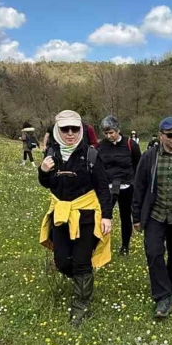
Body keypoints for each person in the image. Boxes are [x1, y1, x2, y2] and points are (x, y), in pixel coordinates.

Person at [37, 110, 113, 326]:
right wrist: (43, 171)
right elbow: (48, 183)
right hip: (61, 216)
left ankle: (81, 305)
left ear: (81, 130)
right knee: (61, 261)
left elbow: (103, 188)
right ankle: (82, 280)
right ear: (57, 131)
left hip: (86, 216)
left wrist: (106, 216)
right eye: (65, 129)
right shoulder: (52, 153)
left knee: (81, 261)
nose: (70, 133)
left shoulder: (91, 155)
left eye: (75, 129)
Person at [132, 117, 172, 318]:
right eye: (170, 135)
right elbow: (139, 187)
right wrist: (136, 216)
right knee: (153, 253)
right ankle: (162, 296)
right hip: (155, 215)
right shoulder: (149, 157)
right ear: (161, 136)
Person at [98, 115, 142, 256]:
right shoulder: (101, 146)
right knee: (104, 215)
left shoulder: (131, 144)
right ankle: (100, 246)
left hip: (126, 186)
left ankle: (125, 246)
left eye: (111, 132)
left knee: (125, 216)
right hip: (108, 187)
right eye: (106, 133)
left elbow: (138, 165)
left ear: (118, 130)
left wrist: (134, 182)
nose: (109, 136)